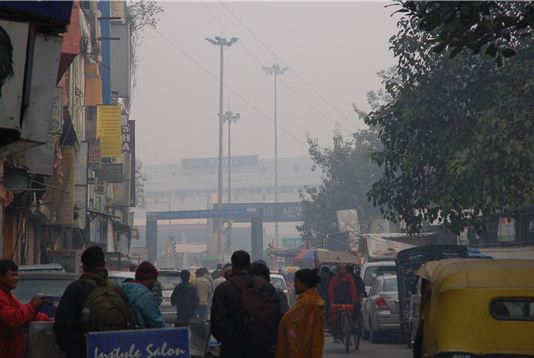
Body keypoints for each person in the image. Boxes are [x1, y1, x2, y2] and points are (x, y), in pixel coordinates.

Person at [54, 246, 130, 358]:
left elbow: (62, 327)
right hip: (115, 352)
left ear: (84, 266)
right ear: (104, 265)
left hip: (83, 352)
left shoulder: (75, 290)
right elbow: (130, 324)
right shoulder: (117, 291)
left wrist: (74, 351)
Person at [211, 250, 281, 358]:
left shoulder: (223, 289)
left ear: (233, 265)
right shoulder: (265, 286)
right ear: (249, 265)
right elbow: (277, 315)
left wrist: (229, 340)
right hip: (261, 348)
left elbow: (217, 323)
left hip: (232, 350)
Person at [0, 259, 48, 358]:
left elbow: (24, 314)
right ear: (1, 277)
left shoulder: (9, 296)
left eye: (17, 275)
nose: (16, 278)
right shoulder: (1, 297)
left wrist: (46, 319)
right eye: (12, 275)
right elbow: (13, 319)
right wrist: (32, 305)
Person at [275, 268, 325, 358]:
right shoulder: (313, 299)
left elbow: (287, 321)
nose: (294, 285)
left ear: (305, 284)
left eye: (296, 282)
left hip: (301, 351)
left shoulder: (306, 302)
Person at [120, 261, 165, 328]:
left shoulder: (121, 289)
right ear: (149, 279)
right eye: (154, 280)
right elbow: (157, 324)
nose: (154, 283)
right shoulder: (145, 296)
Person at [328, 264, 357, 342]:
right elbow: (331, 291)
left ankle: (351, 327)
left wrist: (354, 300)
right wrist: (331, 301)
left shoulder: (349, 277)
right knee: (334, 315)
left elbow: (352, 289)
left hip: (347, 300)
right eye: (340, 269)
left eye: (343, 269)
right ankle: (335, 330)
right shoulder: (334, 279)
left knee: (352, 312)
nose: (342, 270)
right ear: (337, 270)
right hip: (337, 300)